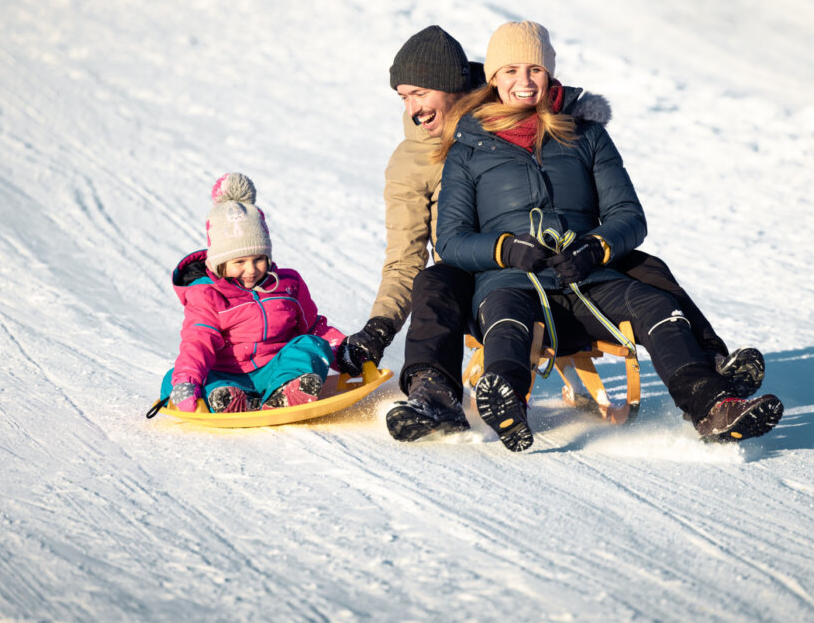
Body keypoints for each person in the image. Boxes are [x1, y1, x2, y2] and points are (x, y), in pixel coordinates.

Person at [343, 25, 766, 443]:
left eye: (419, 94)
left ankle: (711, 368)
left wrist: (593, 244)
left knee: (644, 268)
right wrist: (380, 328)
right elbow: (409, 253)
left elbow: (619, 210)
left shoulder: (547, 116)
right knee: (437, 282)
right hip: (477, 267)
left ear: (454, 86)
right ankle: (439, 394)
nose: (413, 108)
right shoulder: (431, 155)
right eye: (404, 98)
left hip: (566, 261)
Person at [159, 173, 346, 414]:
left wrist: (344, 352)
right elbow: (198, 341)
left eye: (259, 259)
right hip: (228, 374)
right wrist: (186, 381)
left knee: (313, 344)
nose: (251, 269)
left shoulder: (288, 284)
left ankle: (287, 391)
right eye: (239, 261)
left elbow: (313, 327)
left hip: (277, 369)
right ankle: (229, 399)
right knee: (174, 378)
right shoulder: (206, 294)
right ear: (220, 263)